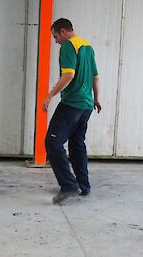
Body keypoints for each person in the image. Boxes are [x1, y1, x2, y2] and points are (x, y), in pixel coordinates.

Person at [42, 18, 101, 204]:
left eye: (55, 36)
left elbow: (69, 74)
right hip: (86, 105)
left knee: (52, 143)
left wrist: (50, 96)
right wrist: (97, 99)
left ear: (62, 31)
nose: (56, 41)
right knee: (77, 144)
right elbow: (96, 78)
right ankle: (84, 186)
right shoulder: (88, 47)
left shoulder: (68, 46)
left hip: (72, 103)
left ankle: (69, 185)